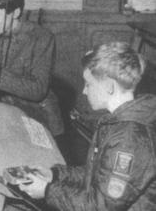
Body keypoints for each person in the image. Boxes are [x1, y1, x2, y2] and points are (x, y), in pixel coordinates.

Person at [20, 42, 156, 210]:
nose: (84, 91)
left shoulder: (129, 138)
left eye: (88, 84)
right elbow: (98, 175)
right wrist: (55, 175)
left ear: (109, 87)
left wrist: (48, 191)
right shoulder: (119, 121)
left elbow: (100, 207)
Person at [0, 0, 63, 137]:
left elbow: (38, 91)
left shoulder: (41, 38)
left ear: (15, 13)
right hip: (4, 119)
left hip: (38, 121)